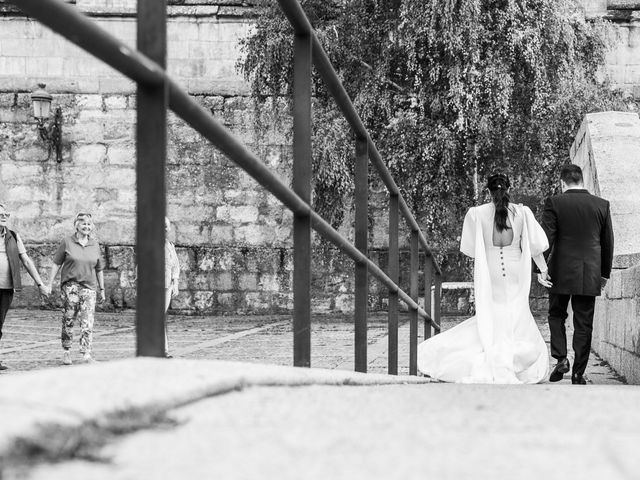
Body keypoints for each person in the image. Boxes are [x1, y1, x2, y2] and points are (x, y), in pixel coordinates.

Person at [417, 173, 550, 384]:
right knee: (516, 311)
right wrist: (543, 270)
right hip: (515, 270)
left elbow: (470, 248)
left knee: (493, 312)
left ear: (488, 191)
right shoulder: (523, 212)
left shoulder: (476, 214)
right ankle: (516, 362)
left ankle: (491, 349)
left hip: (491, 272)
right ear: (509, 188)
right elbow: (535, 246)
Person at [539, 164, 614, 385]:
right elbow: (607, 243)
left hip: (560, 271)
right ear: (583, 180)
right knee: (584, 322)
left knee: (556, 314)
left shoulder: (555, 203)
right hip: (589, 272)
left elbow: (547, 239)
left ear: (563, 183)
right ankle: (579, 373)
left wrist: (540, 268)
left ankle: (561, 357)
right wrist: (604, 274)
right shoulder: (601, 205)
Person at [47, 213, 105, 365]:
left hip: (89, 288)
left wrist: (102, 289)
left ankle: (86, 354)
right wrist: (49, 283)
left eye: (89, 224)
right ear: (76, 226)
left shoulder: (94, 244)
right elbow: (56, 264)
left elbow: (99, 269)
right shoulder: (67, 242)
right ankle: (66, 351)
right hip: (70, 286)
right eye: (83, 224)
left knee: (87, 322)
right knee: (69, 319)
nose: (87, 227)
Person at [0, 203, 50, 371]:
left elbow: (27, 261)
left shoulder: (13, 236)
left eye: (6, 213)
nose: (4, 216)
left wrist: (40, 284)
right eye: (0, 213)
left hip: (6, 288)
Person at [164, 216, 180, 358]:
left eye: (166, 226)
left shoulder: (170, 245)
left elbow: (175, 266)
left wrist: (175, 284)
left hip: (166, 286)